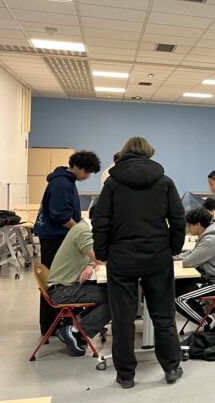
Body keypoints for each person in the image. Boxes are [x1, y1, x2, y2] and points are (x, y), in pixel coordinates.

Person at [93, 137, 186, 389]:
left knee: (122, 318)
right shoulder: (164, 182)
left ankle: (126, 375)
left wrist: (102, 252)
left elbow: (101, 220)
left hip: (122, 258)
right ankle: (171, 367)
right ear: (149, 154)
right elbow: (178, 219)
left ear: (124, 153)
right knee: (163, 315)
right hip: (157, 256)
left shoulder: (112, 183)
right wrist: (173, 248)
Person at [34, 150, 101, 335]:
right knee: (56, 282)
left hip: (55, 235)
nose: (87, 176)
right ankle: (51, 326)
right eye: (87, 172)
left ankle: (62, 323)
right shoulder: (61, 183)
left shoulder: (66, 180)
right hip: (54, 237)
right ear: (77, 166)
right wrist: (79, 231)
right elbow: (61, 216)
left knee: (61, 279)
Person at [47, 204, 110, 357]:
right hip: (63, 291)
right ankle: (76, 330)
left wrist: (91, 264)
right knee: (118, 298)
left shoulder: (83, 228)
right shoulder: (84, 232)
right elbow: (101, 257)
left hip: (66, 286)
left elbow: (96, 257)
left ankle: (76, 327)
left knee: (114, 294)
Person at [175, 208, 215, 331]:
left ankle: (210, 323)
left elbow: (188, 262)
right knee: (174, 288)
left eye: (189, 225)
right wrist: (175, 257)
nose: (187, 228)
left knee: (179, 299)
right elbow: (192, 253)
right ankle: (208, 315)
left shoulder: (210, 240)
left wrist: (178, 260)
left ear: (198, 225)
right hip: (209, 279)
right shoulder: (207, 235)